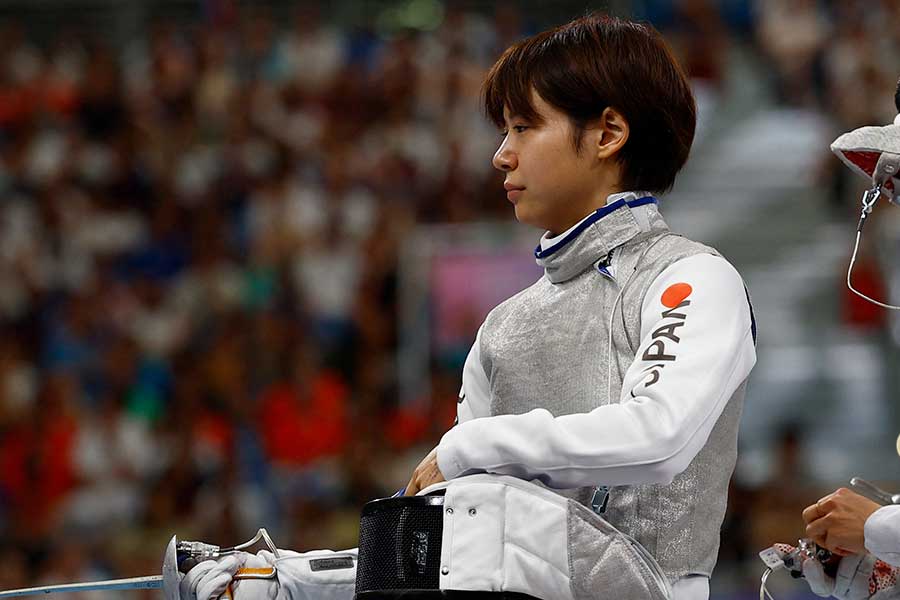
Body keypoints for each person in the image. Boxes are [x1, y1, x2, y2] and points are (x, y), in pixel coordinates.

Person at [174, 13, 757, 600]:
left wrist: (472, 445)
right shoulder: (504, 327)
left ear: (608, 133)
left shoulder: (690, 278)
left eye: (525, 128)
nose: (502, 156)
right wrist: (290, 581)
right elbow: (454, 545)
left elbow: (659, 437)